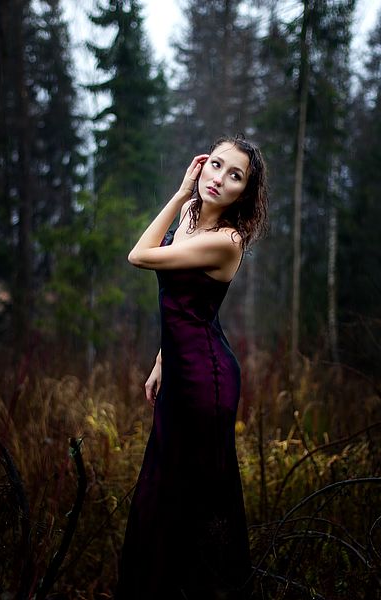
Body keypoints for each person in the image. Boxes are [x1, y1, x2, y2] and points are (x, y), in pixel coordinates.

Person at [114, 135, 269, 600]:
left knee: (195, 497)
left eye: (234, 175)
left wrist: (181, 191)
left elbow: (139, 256)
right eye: (216, 165)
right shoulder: (188, 220)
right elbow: (186, 304)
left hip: (207, 382)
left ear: (244, 192)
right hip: (179, 369)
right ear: (202, 164)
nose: (219, 179)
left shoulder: (226, 241)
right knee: (159, 491)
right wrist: (163, 358)